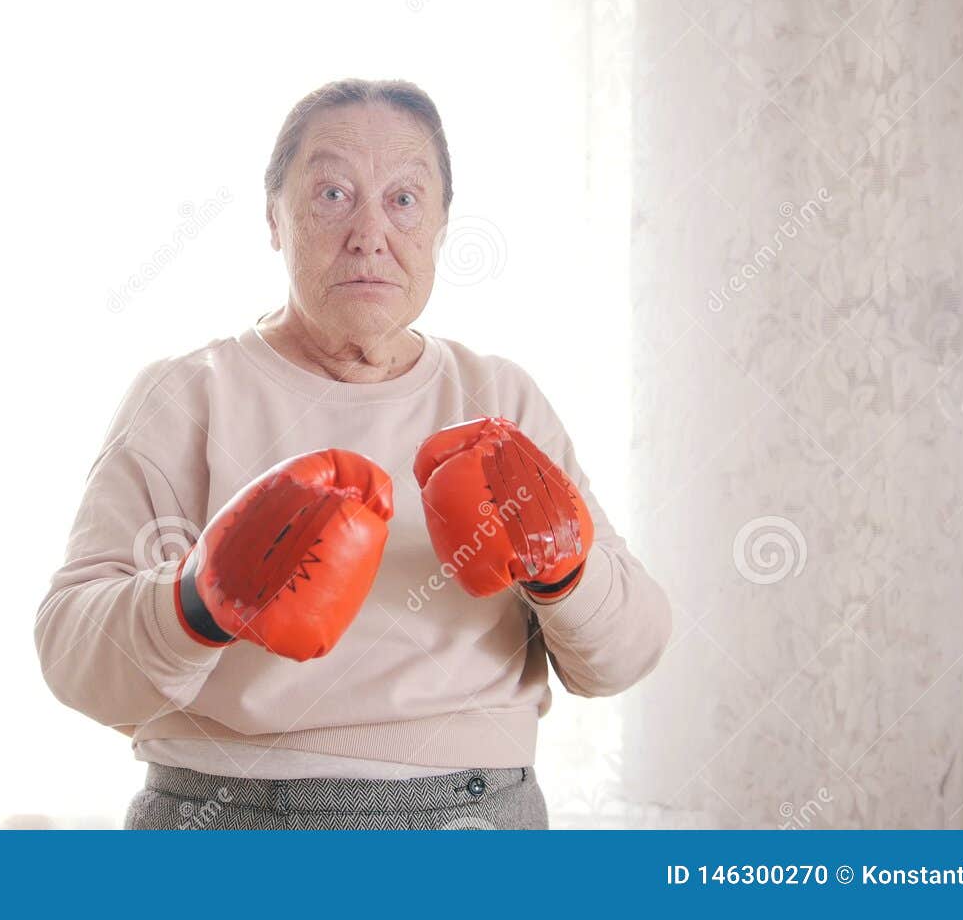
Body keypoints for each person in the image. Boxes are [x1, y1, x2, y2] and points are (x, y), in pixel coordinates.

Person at [34, 78, 672, 829]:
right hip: (223, 817)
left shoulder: (498, 397)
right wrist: (198, 602)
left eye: (404, 199)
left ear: (439, 226)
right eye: (334, 193)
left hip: (473, 820)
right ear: (274, 217)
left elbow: (624, 658)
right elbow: (71, 657)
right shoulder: (188, 394)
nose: (371, 232)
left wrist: (568, 568)